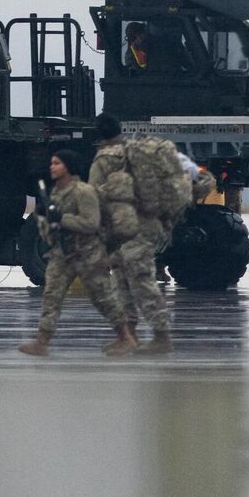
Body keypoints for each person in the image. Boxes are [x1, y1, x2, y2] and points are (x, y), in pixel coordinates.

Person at [17, 148, 135, 357]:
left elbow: (91, 223)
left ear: (68, 168)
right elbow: (51, 226)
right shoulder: (56, 193)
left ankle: (125, 338)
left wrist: (61, 218)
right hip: (63, 252)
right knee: (51, 295)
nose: (52, 167)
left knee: (103, 297)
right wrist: (44, 219)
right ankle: (42, 341)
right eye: (52, 163)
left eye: (57, 163)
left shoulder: (84, 192)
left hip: (88, 253)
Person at [89, 115, 171, 354]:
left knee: (141, 280)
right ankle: (128, 336)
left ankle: (161, 336)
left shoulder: (104, 159)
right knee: (123, 280)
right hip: (142, 225)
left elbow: (95, 198)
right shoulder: (136, 152)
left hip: (129, 227)